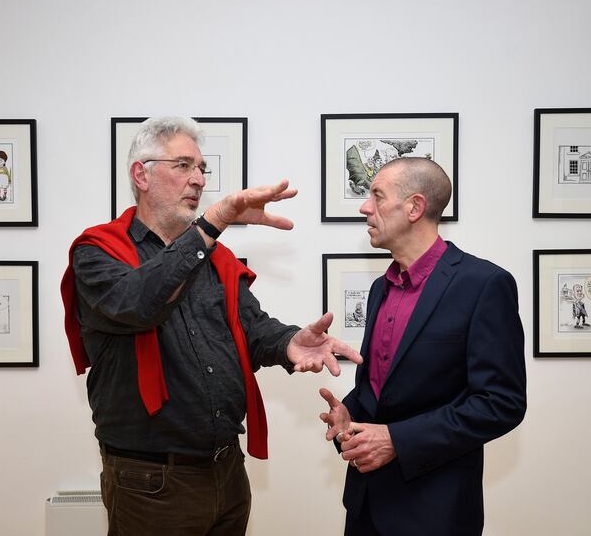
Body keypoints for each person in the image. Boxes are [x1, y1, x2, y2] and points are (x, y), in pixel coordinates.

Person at [61, 116, 362, 536]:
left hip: (226, 469)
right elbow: (140, 305)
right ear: (140, 175)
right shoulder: (98, 253)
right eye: (183, 165)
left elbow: (251, 327)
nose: (199, 180)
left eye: (202, 169)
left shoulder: (212, 258)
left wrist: (291, 342)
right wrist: (211, 224)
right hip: (151, 481)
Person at [320, 157, 526, 536]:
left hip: (436, 511)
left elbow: (501, 403)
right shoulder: (380, 288)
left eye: (377, 196)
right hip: (364, 506)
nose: (365, 207)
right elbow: (384, 388)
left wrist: (397, 440)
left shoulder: (484, 284)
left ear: (415, 207)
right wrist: (350, 414)